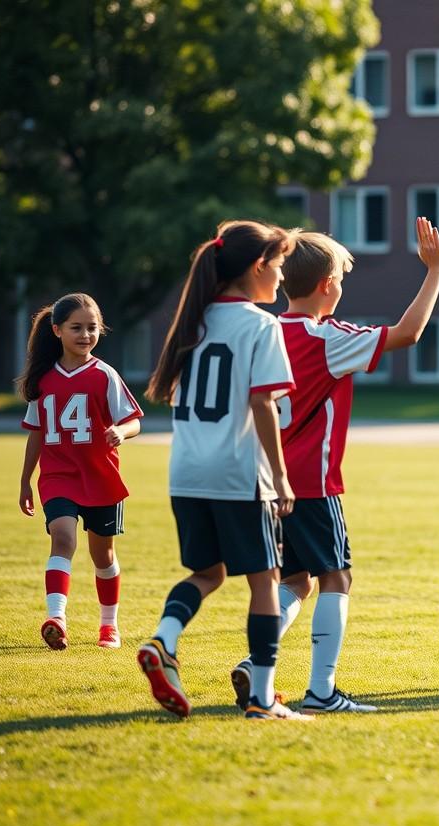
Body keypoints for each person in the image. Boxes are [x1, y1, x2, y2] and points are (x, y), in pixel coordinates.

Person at [229, 219, 439, 713]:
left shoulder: (260, 332)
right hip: (310, 484)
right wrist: (435, 271)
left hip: (260, 483)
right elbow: (409, 334)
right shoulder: (326, 338)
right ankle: (322, 691)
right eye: (342, 279)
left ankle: (253, 660)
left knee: (292, 581)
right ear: (327, 286)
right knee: (336, 578)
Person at [137, 220, 309, 720]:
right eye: (277, 265)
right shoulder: (261, 325)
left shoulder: (194, 322)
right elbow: (262, 405)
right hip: (237, 473)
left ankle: (163, 641)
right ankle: (261, 699)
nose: (280, 276)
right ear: (257, 267)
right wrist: (279, 477)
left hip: (185, 472)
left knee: (206, 573)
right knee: (265, 581)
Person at [17, 293, 142, 651]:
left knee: (103, 556)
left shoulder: (105, 374)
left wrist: (121, 431)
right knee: (63, 539)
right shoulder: (43, 381)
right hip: (59, 477)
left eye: (92, 328)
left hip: (101, 478)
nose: (85, 335)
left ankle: (109, 626)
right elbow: (37, 434)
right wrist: (26, 480)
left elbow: (132, 421)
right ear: (56, 330)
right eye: (76, 328)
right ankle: (57, 618)